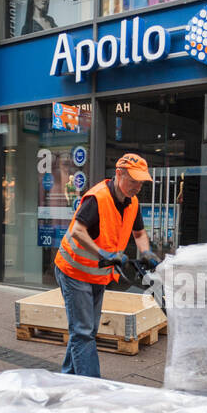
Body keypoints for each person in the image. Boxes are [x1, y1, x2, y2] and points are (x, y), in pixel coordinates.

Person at [54, 153, 162, 378]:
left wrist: (146, 252)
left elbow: (139, 232)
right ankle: (92, 387)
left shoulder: (132, 203)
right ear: (119, 174)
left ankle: (66, 378)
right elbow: (77, 231)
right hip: (74, 271)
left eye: (140, 182)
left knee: (85, 330)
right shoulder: (97, 198)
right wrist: (104, 253)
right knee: (83, 332)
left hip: (98, 274)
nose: (137, 187)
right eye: (133, 181)